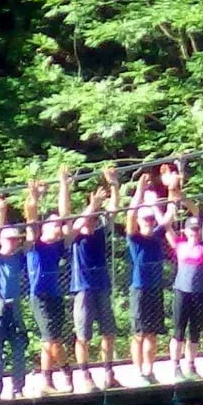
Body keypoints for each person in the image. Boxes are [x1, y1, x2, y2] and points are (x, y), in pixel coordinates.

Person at [61, 165, 120, 390]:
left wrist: (114, 185)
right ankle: (84, 375)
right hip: (82, 288)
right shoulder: (75, 235)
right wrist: (89, 204)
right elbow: (68, 218)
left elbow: (113, 211)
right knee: (83, 334)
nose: (92, 220)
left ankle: (108, 372)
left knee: (109, 331)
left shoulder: (100, 231)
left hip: (102, 286)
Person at [23, 178, 72, 395]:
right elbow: (31, 216)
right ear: (44, 227)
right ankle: (59, 375)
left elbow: (66, 216)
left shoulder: (58, 246)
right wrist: (34, 196)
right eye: (53, 224)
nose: (58, 228)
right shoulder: (36, 243)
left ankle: (53, 378)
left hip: (55, 295)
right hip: (39, 296)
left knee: (54, 338)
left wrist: (64, 185)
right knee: (50, 337)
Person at [0, 192, 31, 399]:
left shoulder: (20, 257)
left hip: (15, 306)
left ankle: (18, 387)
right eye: (8, 239)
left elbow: (31, 238)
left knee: (19, 347)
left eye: (14, 239)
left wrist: (31, 205)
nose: (13, 242)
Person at [123, 169, 170, 384]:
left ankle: (150, 371)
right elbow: (131, 215)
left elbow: (169, 217)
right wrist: (140, 191)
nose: (150, 222)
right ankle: (139, 371)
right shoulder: (135, 239)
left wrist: (170, 190)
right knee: (139, 333)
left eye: (151, 220)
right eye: (146, 220)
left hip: (155, 289)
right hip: (140, 289)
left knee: (152, 333)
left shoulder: (157, 236)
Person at [166, 181, 203, 381]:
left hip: (200, 291)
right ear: (186, 231)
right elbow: (165, 225)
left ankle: (191, 365)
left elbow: (198, 212)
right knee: (179, 330)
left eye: (197, 229)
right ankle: (175, 366)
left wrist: (182, 197)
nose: (195, 232)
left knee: (195, 331)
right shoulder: (179, 244)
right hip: (182, 291)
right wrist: (171, 198)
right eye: (192, 230)